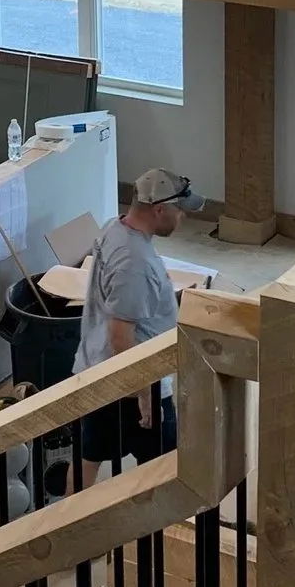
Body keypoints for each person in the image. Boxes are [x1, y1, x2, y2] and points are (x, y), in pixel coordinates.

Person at [74, 167, 202, 478]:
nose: (182, 218)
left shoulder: (114, 228)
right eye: (179, 211)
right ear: (159, 209)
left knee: (89, 461)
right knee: (167, 472)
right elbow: (121, 337)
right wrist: (144, 395)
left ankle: (64, 522)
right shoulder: (135, 264)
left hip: (99, 371)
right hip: (133, 387)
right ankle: (154, 526)